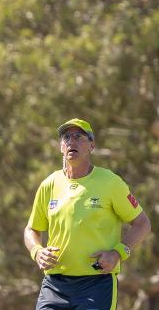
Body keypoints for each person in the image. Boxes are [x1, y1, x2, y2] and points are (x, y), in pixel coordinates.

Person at [24, 118, 152, 309]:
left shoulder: (110, 182)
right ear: (61, 147)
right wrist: (37, 251)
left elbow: (142, 224)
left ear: (92, 145)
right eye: (66, 137)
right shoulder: (49, 184)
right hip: (54, 285)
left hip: (96, 283)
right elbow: (32, 229)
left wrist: (118, 253)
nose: (71, 141)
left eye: (79, 136)